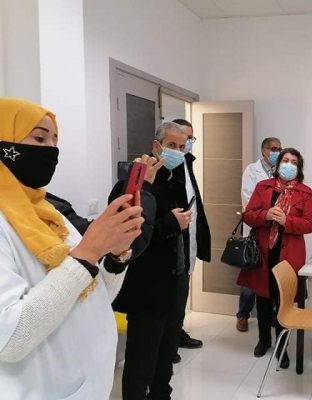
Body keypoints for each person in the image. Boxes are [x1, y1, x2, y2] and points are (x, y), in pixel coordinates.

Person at [0, 97, 145, 399]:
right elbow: (9, 338)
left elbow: (97, 295)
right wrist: (88, 253)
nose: (52, 150)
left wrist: (115, 256)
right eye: (39, 138)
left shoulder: (50, 213)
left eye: (55, 140)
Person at [112, 122, 191, 400]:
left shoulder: (174, 178)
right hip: (147, 287)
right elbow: (128, 235)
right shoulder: (133, 182)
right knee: (141, 360)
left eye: (182, 147)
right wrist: (171, 223)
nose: (177, 152)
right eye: (171, 146)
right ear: (156, 146)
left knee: (167, 353)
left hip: (175, 280)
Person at [238, 148, 312, 369]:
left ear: (299, 168)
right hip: (264, 253)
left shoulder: (305, 192)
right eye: (285, 160)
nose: (289, 164)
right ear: (278, 164)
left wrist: (286, 221)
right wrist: (265, 215)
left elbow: (310, 224)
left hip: (289, 255)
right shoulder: (263, 187)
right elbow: (248, 216)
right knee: (263, 298)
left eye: (294, 162)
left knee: (284, 300)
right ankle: (264, 340)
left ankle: (282, 345)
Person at [171, 119, 211, 362]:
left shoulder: (187, 162)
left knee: (182, 291)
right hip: (174, 240)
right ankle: (168, 343)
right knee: (173, 295)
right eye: (181, 139)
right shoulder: (167, 166)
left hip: (189, 236)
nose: (186, 144)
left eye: (189, 139)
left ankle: (177, 333)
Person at [236, 136, 282, 332]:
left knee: (270, 274)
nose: (277, 152)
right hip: (255, 230)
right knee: (251, 273)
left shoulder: (280, 173)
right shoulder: (251, 171)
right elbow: (248, 201)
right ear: (264, 151)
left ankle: (270, 314)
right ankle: (243, 315)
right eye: (273, 148)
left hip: (274, 232)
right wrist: (267, 214)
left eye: (279, 149)